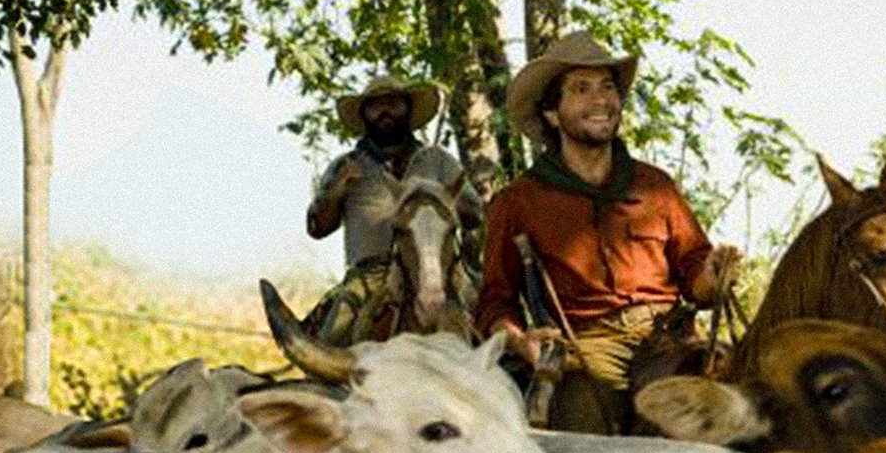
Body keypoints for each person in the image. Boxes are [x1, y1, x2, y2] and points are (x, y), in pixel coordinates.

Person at [474, 31, 741, 432]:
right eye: (581, 89)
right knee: (582, 419)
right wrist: (520, 340)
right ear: (552, 113)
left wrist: (713, 275)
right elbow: (496, 302)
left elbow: (694, 276)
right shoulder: (518, 202)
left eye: (608, 87)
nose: (601, 100)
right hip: (588, 343)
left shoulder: (656, 186)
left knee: (747, 400)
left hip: (670, 334)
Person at [304, 75, 483, 345]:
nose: (384, 111)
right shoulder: (346, 165)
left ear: (408, 109)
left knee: (493, 322)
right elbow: (317, 228)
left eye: (393, 103)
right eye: (375, 106)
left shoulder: (438, 159)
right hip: (370, 276)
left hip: (442, 270)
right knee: (334, 334)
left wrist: (446, 199)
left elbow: (475, 216)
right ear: (364, 114)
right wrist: (335, 191)